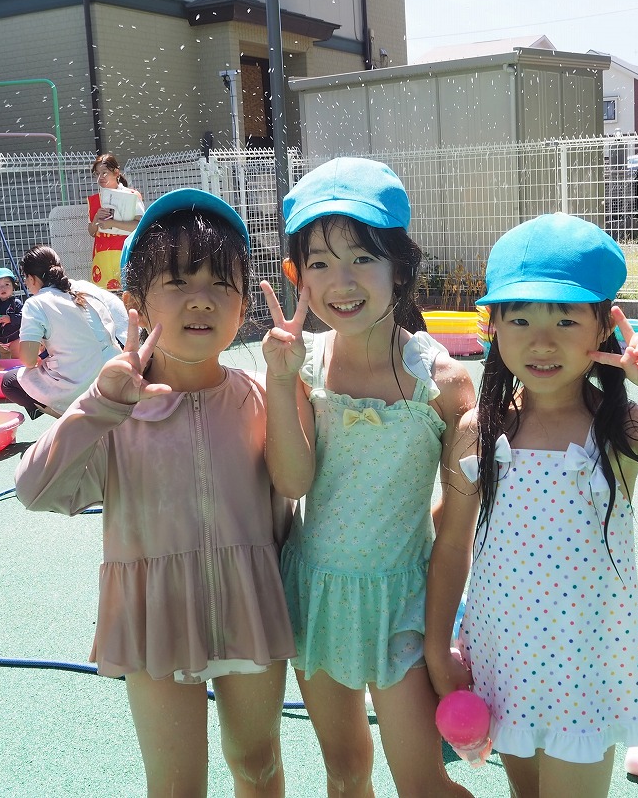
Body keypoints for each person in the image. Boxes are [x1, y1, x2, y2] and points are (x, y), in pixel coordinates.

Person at [425, 214, 638, 798]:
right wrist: (437, 650)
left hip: (583, 670)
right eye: (521, 319)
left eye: (566, 319)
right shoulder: (481, 429)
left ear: (604, 326)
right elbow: (452, 543)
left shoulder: (622, 426)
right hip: (503, 661)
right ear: (492, 326)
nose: (542, 341)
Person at [16, 189, 294, 796]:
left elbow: (289, 497)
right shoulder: (117, 407)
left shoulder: (258, 395)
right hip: (153, 615)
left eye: (221, 283)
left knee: (257, 763)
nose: (201, 298)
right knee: (174, 785)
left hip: (249, 605)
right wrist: (99, 405)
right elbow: (34, 489)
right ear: (135, 302)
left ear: (244, 305)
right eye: (177, 281)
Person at [261, 158, 476, 797]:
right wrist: (280, 381)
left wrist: (438, 637)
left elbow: (459, 523)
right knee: (347, 770)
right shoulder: (306, 368)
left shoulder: (441, 384)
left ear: (400, 268)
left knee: (423, 784)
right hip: (317, 594)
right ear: (297, 276)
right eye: (321, 263)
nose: (343, 282)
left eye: (362, 258)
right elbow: (293, 482)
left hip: (403, 604)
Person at [1, 244, 128, 419]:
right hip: (117, 376)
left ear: (31, 278)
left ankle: (70, 422)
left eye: (25, 279)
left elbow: (28, 361)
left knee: (9, 382)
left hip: (80, 388)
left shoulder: (35, 303)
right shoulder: (85, 287)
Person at [87, 152, 145, 291]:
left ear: (116, 173)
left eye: (104, 173)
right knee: (104, 298)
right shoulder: (95, 200)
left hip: (126, 254)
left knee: (127, 296)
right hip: (102, 259)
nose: (100, 177)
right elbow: (92, 232)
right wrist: (96, 218)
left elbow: (139, 226)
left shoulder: (132, 196)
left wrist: (112, 223)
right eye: (97, 174)